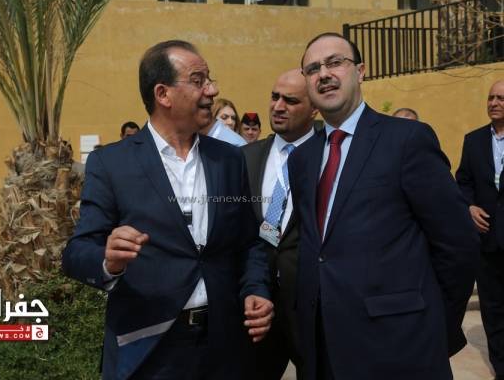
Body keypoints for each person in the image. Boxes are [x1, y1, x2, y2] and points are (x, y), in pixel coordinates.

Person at [62, 40, 273, 380]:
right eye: (198, 80)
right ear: (163, 94)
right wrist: (108, 260)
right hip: (150, 348)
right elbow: (76, 251)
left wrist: (255, 289)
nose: (212, 90)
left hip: (224, 346)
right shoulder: (111, 163)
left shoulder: (229, 159)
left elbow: (250, 242)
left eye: (210, 80)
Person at [289, 32, 479, 380]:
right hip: (323, 349)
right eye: (313, 69)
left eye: (335, 63)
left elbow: (458, 244)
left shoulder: (407, 140)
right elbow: (315, 249)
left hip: (400, 347)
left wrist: (434, 325)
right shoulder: (302, 159)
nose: (324, 74)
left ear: (360, 71)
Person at [242, 68, 318, 380]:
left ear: (314, 109)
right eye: (275, 97)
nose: (278, 106)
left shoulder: (331, 155)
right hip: (255, 306)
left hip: (312, 307)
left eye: (291, 100)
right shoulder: (244, 157)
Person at [456, 80, 504, 380]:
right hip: (486, 241)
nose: (494, 103)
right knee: (493, 309)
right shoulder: (473, 140)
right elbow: (463, 181)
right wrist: (469, 207)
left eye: (501, 98)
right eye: (491, 98)